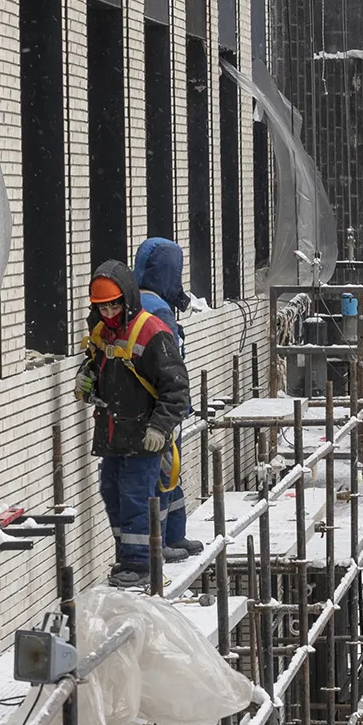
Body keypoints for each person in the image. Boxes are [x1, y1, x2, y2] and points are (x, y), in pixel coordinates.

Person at [77, 264, 190, 589]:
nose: (109, 311)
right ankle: (128, 557)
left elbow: (176, 387)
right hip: (114, 432)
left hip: (143, 435)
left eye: (114, 304)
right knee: (111, 492)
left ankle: (140, 565)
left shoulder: (151, 331)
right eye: (103, 306)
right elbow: (105, 373)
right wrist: (88, 380)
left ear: (127, 298)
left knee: (136, 496)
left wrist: (160, 426)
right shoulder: (101, 332)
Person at [132, 237, 204, 558]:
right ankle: (158, 544)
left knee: (169, 471)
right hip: (159, 408)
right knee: (160, 475)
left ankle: (174, 534)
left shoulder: (139, 302)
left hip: (156, 405)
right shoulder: (157, 309)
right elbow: (168, 364)